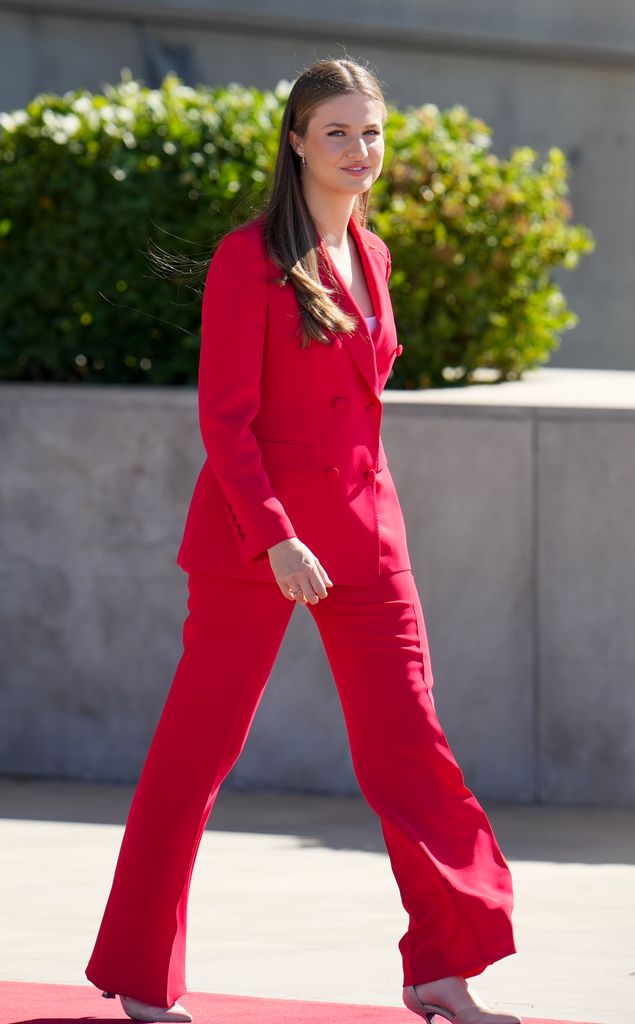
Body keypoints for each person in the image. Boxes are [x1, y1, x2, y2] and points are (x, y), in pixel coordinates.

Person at [84, 57, 521, 1024]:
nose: (359, 151)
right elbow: (225, 421)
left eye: (370, 132)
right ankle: (141, 977)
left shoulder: (376, 256)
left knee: (412, 751)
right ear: (295, 141)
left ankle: (440, 972)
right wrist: (275, 537)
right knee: (195, 755)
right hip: (258, 543)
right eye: (337, 133)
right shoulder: (251, 258)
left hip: (369, 538)